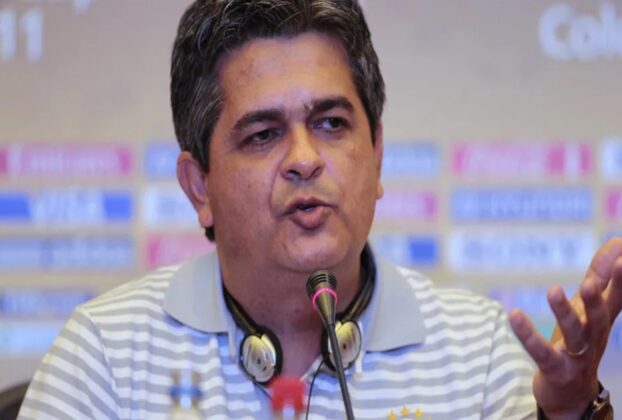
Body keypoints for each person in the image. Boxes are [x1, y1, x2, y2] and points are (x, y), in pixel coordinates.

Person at [18, 0, 622, 419]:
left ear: (376, 156)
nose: (305, 160)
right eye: (262, 135)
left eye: (331, 123)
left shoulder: (481, 354)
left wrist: (569, 414)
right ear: (199, 186)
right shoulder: (105, 357)